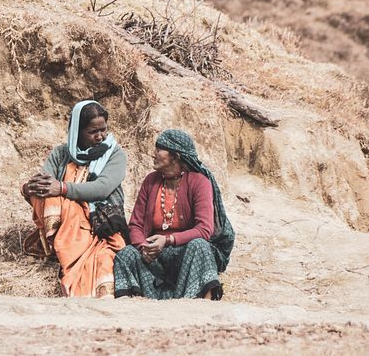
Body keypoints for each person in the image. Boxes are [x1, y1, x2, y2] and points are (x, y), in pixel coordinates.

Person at [21, 100, 127, 298]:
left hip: (100, 223)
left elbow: (102, 189)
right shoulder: (61, 154)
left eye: (103, 130)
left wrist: (62, 188)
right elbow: (46, 182)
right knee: (40, 189)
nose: (100, 136)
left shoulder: (115, 154)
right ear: (77, 131)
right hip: (67, 220)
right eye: (93, 131)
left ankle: (71, 258)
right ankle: (57, 244)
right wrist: (30, 188)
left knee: (102, 257)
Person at [113, 129, 234, 300]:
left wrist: (168, 240)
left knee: (199, 246)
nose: (153, 154)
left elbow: (204, 229)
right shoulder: (151, 181)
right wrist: (143, 247)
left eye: (159, 150)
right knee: (125, 255)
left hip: (184, 256)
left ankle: (199, 303)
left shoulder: (199, 182)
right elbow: (136, 225)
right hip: (155, 257)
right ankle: (135, 305)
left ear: (175, 156)